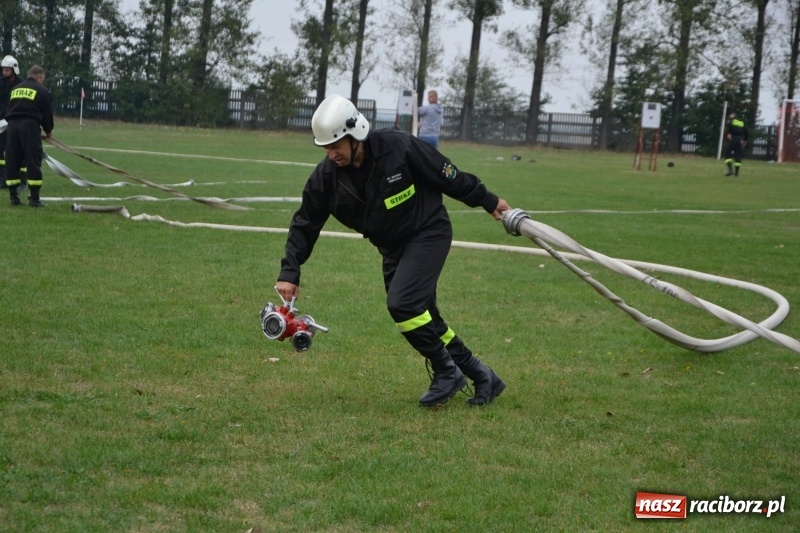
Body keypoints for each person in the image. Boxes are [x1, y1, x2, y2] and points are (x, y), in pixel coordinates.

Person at [275, 94, 511, 407]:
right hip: (392, 248)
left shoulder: (398, 147)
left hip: (428, 232)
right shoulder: (326, 179)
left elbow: (447, 175)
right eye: (326, 149)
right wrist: (290, 272)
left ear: (354, 135)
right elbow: (305, 224)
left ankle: (447, 371)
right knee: (423, 319)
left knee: (403, 304)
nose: (331, 155)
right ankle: (482, 376)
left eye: (336, 146)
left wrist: (488, 200)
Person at [5, 65, 53, 207]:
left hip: (12, 127)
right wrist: (48, 130)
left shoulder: (15, 89)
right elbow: (47, 114)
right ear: (38, 77)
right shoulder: (42, 91)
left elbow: (8, 109)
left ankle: (14, 197)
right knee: (33, 159)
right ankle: (34, 199)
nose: (42, 82)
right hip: (30, 127)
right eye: (42, 79)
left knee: (12, 160)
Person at [0, 55, 23, 190]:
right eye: (3, 70)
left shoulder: (20, 84)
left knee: (16, 150)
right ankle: (2, 178)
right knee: (0, 150)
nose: (5, 73)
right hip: (1, 122)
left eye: (7, 70)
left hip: (14, 121)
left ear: (14, 70)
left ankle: (22, 180)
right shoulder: (0, 83)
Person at [723, 111, 748, 176]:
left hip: (732, 138)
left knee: (727, 153)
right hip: (740, 140)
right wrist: (744, 140)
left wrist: (728, 133)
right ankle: (736, 173)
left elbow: (728, 128)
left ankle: (730, 169)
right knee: (738, 156)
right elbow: (747, 132)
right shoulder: (742, 122)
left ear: (733, 115)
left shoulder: (732, 120)